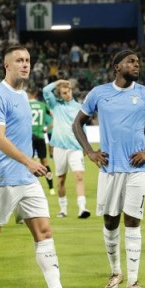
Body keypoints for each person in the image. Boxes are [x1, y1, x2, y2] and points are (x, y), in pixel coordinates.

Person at [0, 46, 90, 288]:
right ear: (6, 65)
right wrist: (30, 162)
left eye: (28, 60)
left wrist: (30, 165)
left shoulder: (24, 96)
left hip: (26, 179)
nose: (25, 64)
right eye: (19, 60)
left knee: (44, 231)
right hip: (2, 177)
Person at [73, 49, 145, 288]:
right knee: (110, 221)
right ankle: (115, 272)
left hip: (136, 169)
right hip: (109, 169)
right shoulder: (99, 93)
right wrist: (89, 151)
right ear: (116, 66)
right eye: (130, 61)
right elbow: (77, 123)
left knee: (133, 221)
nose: (136, 65)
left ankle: (132, 281)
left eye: (138, 62)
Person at [42, 79, 91, 218]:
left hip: (75, 147)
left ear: (71, 91)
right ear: (60, 95)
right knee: (61, 180)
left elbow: (83, 127)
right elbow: (46, 90)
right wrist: (59, 81)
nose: (67, 94)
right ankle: (63, 209)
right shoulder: (56, 105)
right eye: (64, 93)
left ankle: (82, 208)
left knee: (79, 176)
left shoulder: (79, 108)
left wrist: (85, 146)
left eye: (68, 91)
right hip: (60, 148)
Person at [27, 87, 55, 195]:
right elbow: (54, 118)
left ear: (31, 95)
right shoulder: (43, 106)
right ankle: (51, 187)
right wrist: (47, 129)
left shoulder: (26, 105)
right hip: (40, 136)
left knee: (29, 162)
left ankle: (30, 187)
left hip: (29, 137)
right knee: (45, 162)